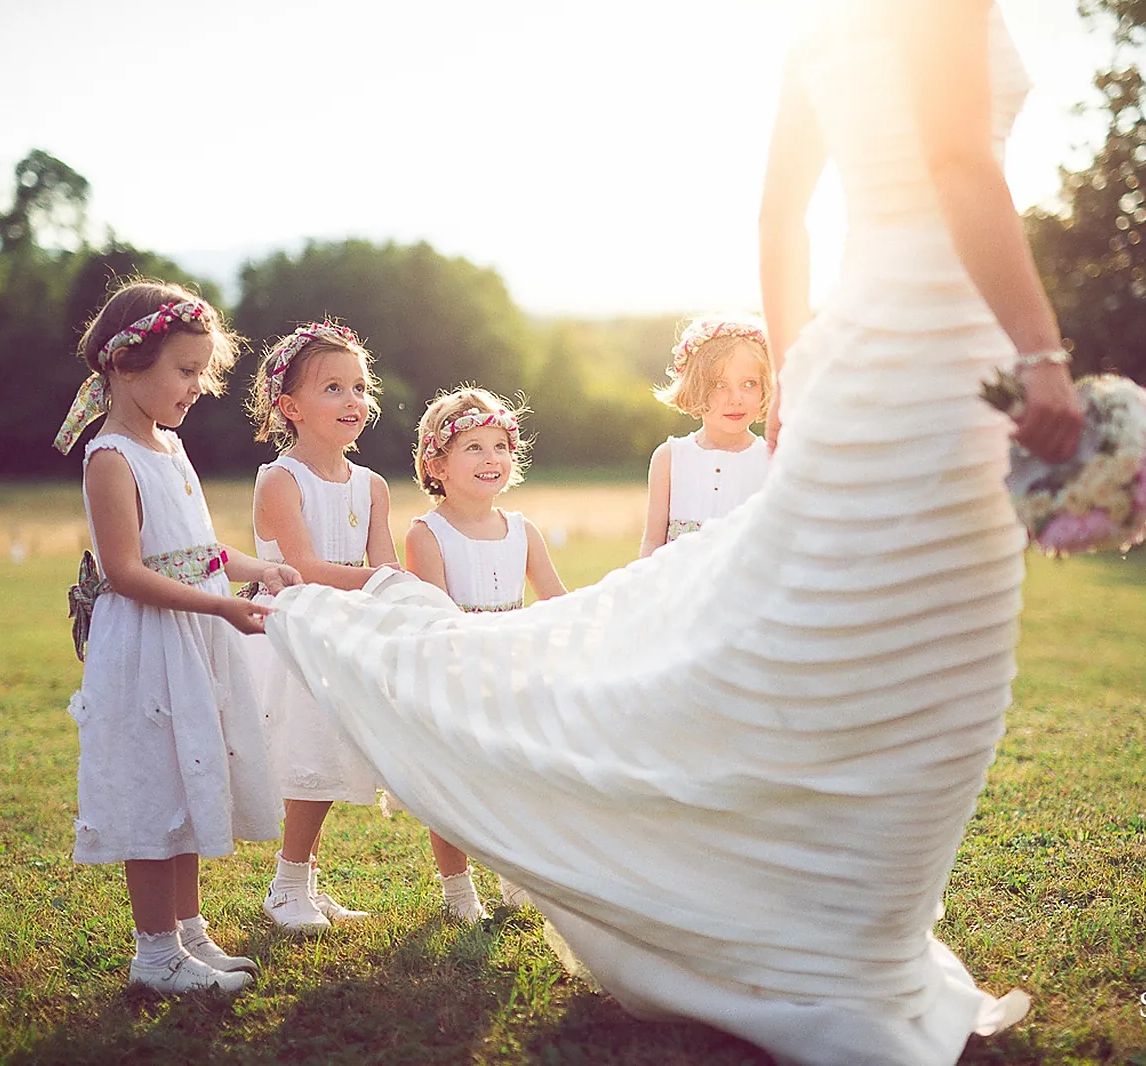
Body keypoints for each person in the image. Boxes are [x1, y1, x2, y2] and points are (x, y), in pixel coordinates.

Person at [265, 1, 1085, 1061]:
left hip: (861, 351)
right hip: (936, 353)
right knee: (927, 671)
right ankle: (848, 956)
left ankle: (848, 946)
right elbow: (960, 164)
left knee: (866, 661)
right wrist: (1042, 353)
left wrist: (798, 370)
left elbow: (778, 218)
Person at [54, 279, 298, 995]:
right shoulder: (111, 459)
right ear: (126, 364)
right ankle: (154, 954)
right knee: (155, 786)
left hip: (191, 638)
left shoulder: (169, 445)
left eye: (203, 371)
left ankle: (188, 934)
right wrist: (220, 609)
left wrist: (260, 568)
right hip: (149, 643)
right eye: (185, 371)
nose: (198, 387)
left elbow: (199, 548)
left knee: (192, 777)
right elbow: (127, 572)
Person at [243, 322, 398, 935]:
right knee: (310, 757)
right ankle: (284, 888)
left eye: (359, 387)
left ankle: (302, 881)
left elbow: (381, 561)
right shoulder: (281, 478)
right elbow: (303, 568)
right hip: (293, 628)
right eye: (333, 387)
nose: (353, 401)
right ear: (290, 407)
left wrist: (395, 587)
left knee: (331, 759)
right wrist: (389, 585)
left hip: (346, 631)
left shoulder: (372, 486)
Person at [401, 387, 567, 920]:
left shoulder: (523, 530)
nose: (491, 458)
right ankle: (457, 890)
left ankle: (514, 874)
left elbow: (556, 600)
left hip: (511, 672)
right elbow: (434, 616)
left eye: (500, 445)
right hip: (455, 675)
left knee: (513, 779)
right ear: (438, 463)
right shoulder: (428, 533)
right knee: (453, 785)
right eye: (473, 447)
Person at [639, 316, 773, 557]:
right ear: (695, 386)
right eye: (720, 385)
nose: (736, 398)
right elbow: (652, 544)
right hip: (681, 592)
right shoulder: (670, 458)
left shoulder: (773, 459)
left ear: (765, 386)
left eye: (749, 384)